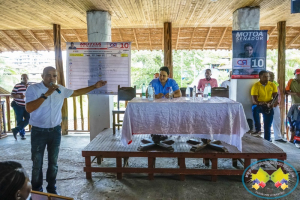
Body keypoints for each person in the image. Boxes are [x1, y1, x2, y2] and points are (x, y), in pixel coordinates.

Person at [25, 66, 107, 194]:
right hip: (38, 131)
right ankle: (37, 191)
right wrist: (46, 94)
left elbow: (76, 93)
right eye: (48, 75)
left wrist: (94, 87)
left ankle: (52, 189)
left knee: (53, 163)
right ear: (42, 76)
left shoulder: (60, 90)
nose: (51, 78)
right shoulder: (33, 89)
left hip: (55, 131)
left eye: (54, 75)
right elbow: (29, 108)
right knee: (37, 163)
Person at [251, 70, 278, 141]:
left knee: (267, 126)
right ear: (260, 77)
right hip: (260, 105)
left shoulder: (272, 85)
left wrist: (271, 104)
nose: (267, 78)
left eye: (268, 76)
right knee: (254, 108)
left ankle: (267, 141)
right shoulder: (256, 86)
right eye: (264, 77)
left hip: (269, 106)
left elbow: (275, 98)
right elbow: (254, 101)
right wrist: (263, 103)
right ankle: (258, 129)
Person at [11, 74, 31, 140]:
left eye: (26, 78)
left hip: (27, 105)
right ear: (21, 78)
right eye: (23, 78)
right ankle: (22, 135)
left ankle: (16, 130)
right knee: (20, 120)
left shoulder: (31, 86)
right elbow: (12, 94)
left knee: (29, 119)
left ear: (28, 78)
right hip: (18, 105)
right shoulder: (17, 85)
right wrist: (19, 96)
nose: (25, 79)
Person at [268, 71, 286, 142]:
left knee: (277, 120)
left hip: (276, 104)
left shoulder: (275, 83)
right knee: (267, 121)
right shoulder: (265, 84)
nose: (272, 77)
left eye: (273, 76)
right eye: (270, 76)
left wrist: (277, 102)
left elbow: (278, 94)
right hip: (268, 105)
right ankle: (268, 137)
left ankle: (278, 137)